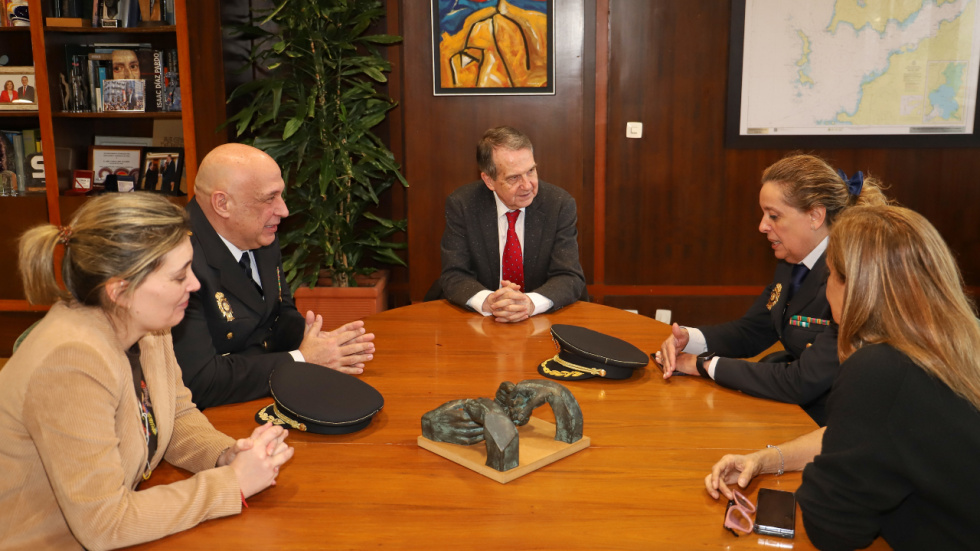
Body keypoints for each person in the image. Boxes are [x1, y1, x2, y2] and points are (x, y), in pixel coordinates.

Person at [0, 193, 294, 550]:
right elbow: (104, 525)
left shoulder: (148, 324)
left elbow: (174, 414)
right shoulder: (70, 361)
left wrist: (225, 455)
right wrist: (231, 484)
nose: (195, 284)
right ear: (120, 290)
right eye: (179, 275)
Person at [705, 205, 980, 550]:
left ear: (858, 287)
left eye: (831, 275)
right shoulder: (958, 343)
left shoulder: (880, 368)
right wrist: (764, 460)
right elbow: (859, 436)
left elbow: (833, 528)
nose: (826, 289)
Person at [657, 154, 888, 426]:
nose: (762, 226)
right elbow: (755, 329)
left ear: (815, 216)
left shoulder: (849, 277)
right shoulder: (794, 262)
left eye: (774, 215)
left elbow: (802, 381)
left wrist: (704, 365)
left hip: (836, 420)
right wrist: (689, 339)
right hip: (795, 407)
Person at [171, 143, 376, 409]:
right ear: (222, 203)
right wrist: (301, 360)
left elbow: (278, 313)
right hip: (210, 416)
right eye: (270, 198)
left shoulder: (259, 233)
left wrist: (317, 341)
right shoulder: (176, 261)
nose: (284, 210)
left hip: (259, 391)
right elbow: (200, 381)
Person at [435, 126, 586, 323]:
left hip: (545, 319)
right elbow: (454, 274)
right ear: (489, 180)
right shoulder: (462, 205)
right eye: (514, 177)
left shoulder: (558, 204)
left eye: (531, 171)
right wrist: (489, 301)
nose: (527, 185)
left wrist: (530, 304)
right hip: (480, 321)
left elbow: (569, 276)